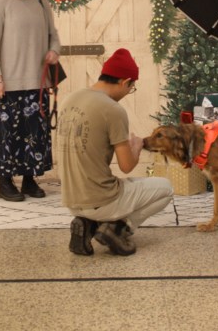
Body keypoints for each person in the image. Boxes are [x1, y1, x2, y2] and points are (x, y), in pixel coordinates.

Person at [57, 48, 174, 256]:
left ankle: (88, 224)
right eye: (132, 87)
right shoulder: (112, 109)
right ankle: (117, 228)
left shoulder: (70, 99)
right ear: (124, 81)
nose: (129, 92)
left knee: (122, 188)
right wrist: (136, 147)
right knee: (166, 188)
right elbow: (126, 165)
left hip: (70, 199)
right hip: (102, 200)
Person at [0, 0, 61, 201]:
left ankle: (29, 180)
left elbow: (53, 34)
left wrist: (54, 51)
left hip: (37, 82)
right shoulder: (1, 3)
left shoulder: (40, 1)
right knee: (7, 135)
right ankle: (5, 184)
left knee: (34, 135)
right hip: (8, 83)